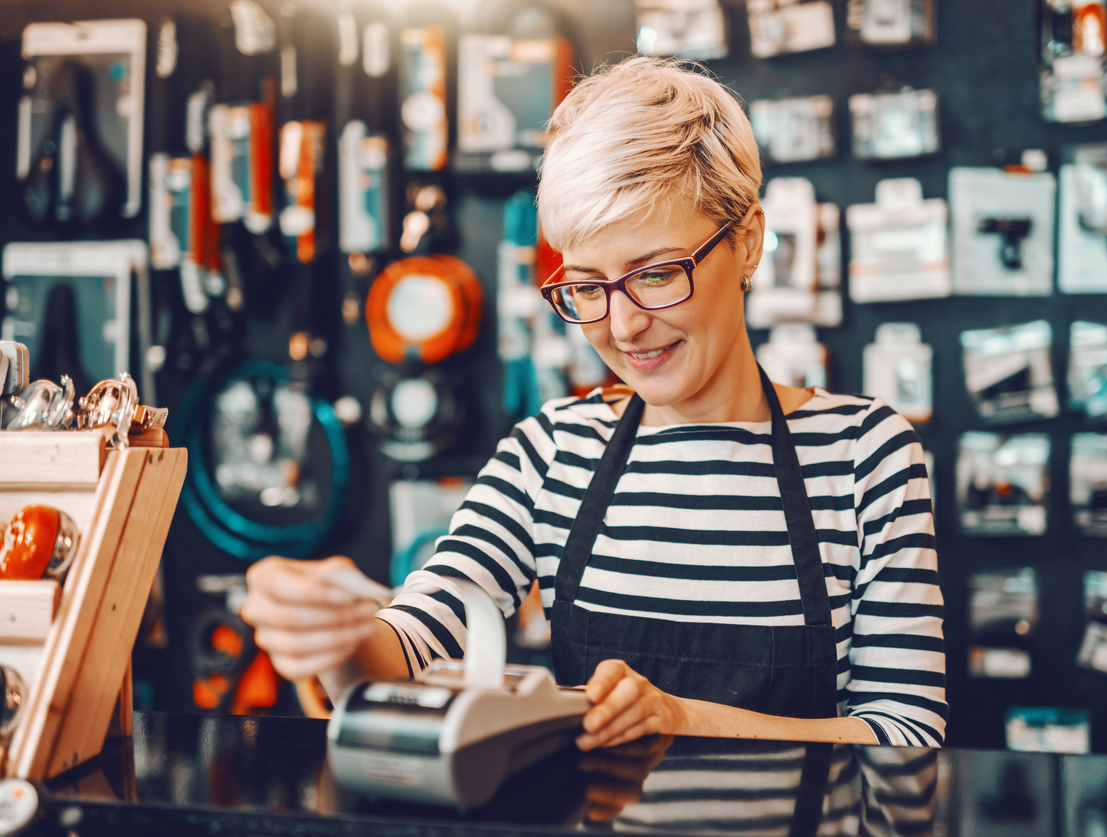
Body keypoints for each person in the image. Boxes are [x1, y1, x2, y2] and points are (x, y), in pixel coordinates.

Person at [242, 56, 946, 750]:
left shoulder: (864, 455)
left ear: (750, 242)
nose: (623, 324)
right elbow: (414, 644)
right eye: (587, 285)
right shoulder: (551, 453)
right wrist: (334, 633)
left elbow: (907, 737)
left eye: (657, 273)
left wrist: (680, 719)